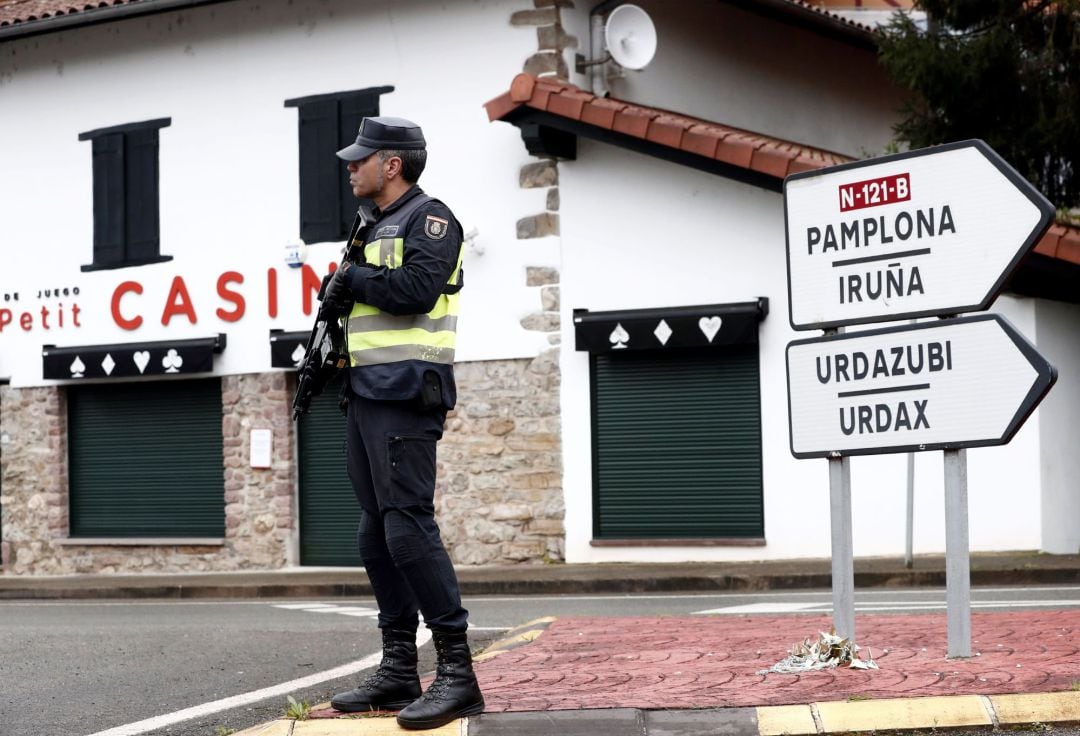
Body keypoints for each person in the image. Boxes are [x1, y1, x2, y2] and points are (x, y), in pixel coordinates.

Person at [321, 116, 483, 731]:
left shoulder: (431, 218)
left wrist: (351, 280)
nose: (350, 167)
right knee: (375, 533)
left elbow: (417, 287)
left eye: (360, 159)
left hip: (406, 392)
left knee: (409, 528)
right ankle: (397, 668)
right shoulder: (368, 227)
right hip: (366, 393)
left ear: (393, 164)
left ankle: (459, 675)